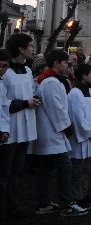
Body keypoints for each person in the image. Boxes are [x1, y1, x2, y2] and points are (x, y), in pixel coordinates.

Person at [32, 49, 88, 217]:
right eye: (65, 62)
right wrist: (67, 127)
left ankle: (44, 203)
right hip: (52, 133)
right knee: (65, 167)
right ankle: (68, 203)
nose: (67, 65)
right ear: (56, 63)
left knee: (46, 169)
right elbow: (56, 109)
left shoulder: (52, 81)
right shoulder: (51, 83)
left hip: (52, 132)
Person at [1, 34, 39, 220]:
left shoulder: (28, 70)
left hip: (26, 127)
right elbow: (3, 102)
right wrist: (25, 104)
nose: (32, 49)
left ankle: (13, 205)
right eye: (30, 46)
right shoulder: (6, 73)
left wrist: (35, 99)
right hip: (10, 128)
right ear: (21, 49)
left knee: (17, 170)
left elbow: (31, 91)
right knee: (5, 172)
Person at [68, 64, 91, 209]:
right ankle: (76, 196)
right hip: (80, 138)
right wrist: (90, 132)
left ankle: (84, 192)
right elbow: (77, 117)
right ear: (83, 76)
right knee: (77, 169)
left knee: (87, 168)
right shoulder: (75, 93)